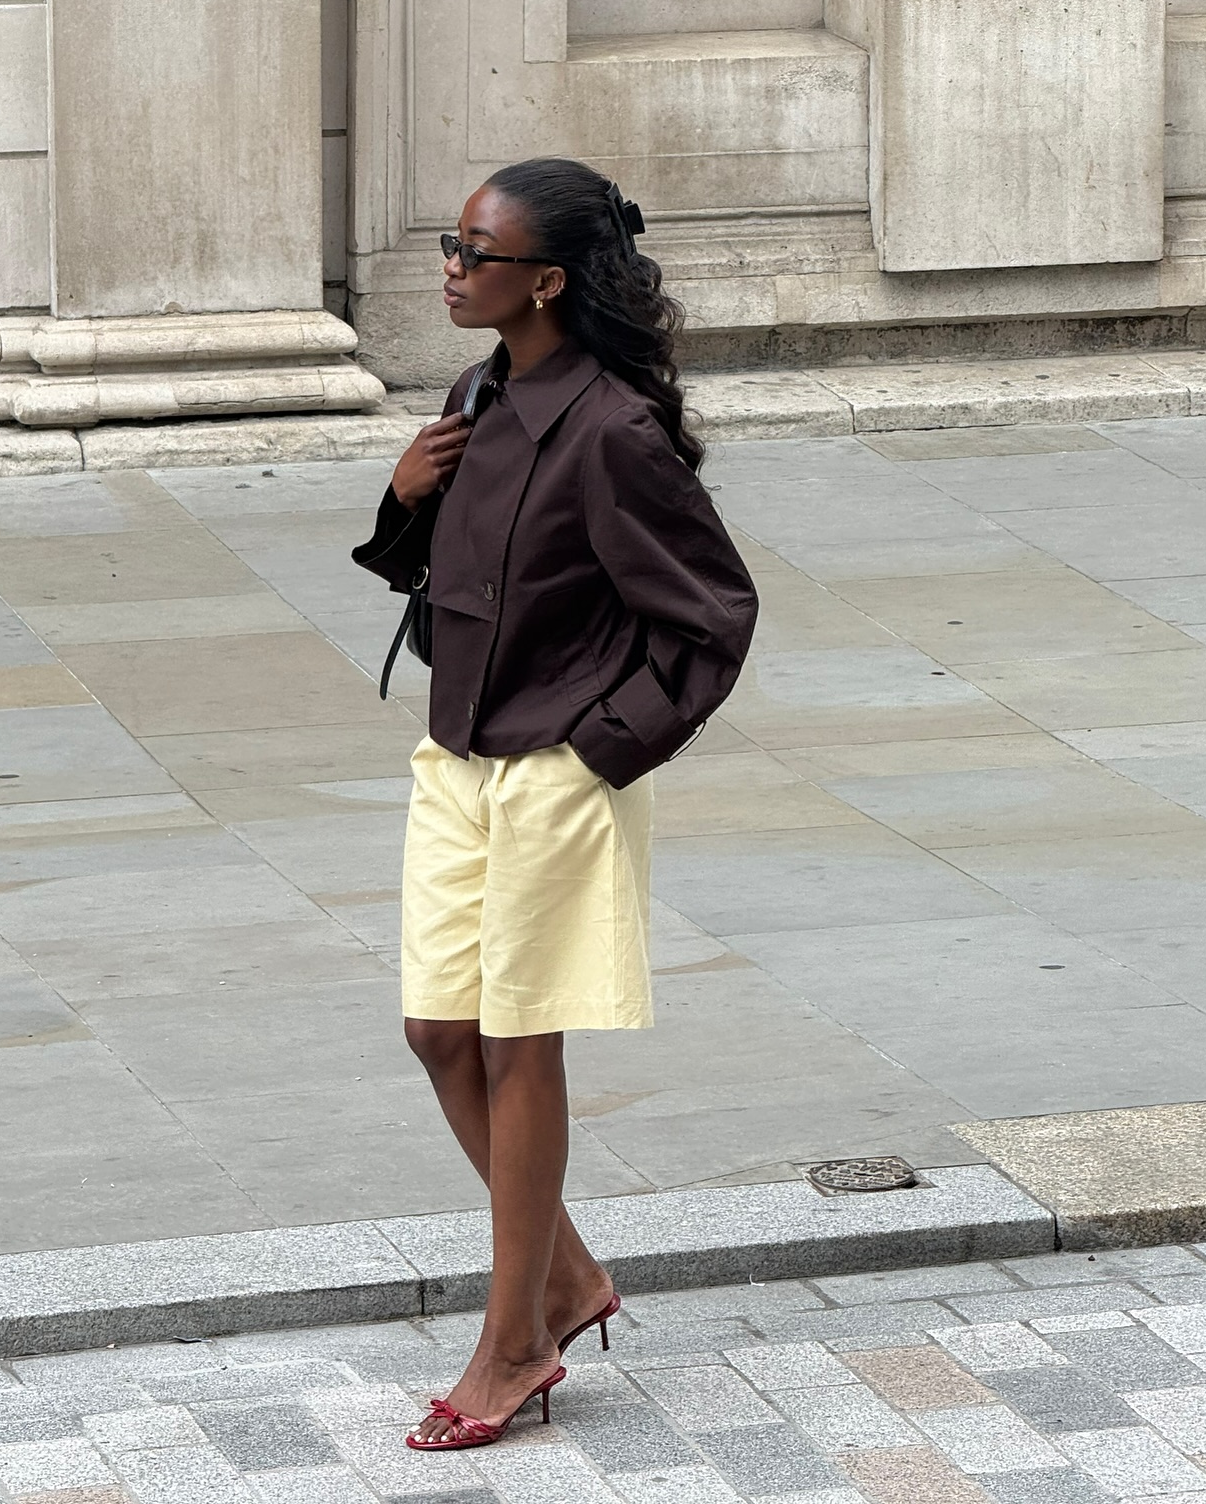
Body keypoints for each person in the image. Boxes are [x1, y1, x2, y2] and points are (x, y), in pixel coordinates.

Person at [352, 157, 758, 1451]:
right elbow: (463, 573)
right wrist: (405, 497)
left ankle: (516, 1340)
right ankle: (571, 1277)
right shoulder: (476, 394)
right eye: (453, 243)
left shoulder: (614, 430)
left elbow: (713, 616)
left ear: (547, 282)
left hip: (555, 774)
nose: (452, 267)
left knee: (520, 1044)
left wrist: (598, 750)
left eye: (477, 253)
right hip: (458, 756)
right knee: (437, 1031)